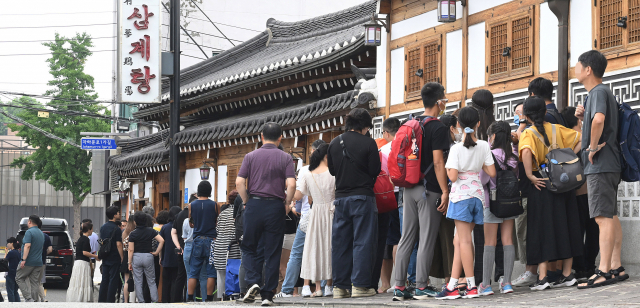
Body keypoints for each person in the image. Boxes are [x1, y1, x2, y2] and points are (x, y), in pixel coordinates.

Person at [519, 96, 583, 290]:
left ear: (527, 116)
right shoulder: (557, 129)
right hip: (564, 184)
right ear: (545, 112)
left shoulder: (528, 133)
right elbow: (581, 138)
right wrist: (570, 156)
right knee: (568, 225)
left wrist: (530, 175)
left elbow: (527, 153)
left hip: (542, 184)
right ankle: (567, 274)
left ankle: (544, 277)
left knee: (542, 229)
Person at [575, 50, 627, 288]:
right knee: (610, 214)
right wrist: (586, 116)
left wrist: (592, 148)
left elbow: (599, 120)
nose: (575, 68)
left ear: (588, 70)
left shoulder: (596, 91)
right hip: (612, 163)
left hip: (600, 164)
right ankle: (615, 266)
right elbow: (596, 119)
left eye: (578, 65)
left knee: (602, 218)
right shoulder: (604, 92)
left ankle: (603, 270)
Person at [393, 83, 449, 301]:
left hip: (408, 187)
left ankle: (399, 287)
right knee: (426, 238)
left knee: (407, 237)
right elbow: (438, 162)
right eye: (443, 99)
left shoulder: (412, 124)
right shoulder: (438, 127)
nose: (445, 103)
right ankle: (421, 286)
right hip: (430, 190)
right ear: (438, 102)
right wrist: (444, 190)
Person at [435, 106, 495, 300]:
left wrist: (459, 168)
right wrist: (476, 166)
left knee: (464, 241)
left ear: (458, 125)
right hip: (477, 196)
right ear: (478, 124)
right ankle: (453, 284)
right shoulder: (484, 145)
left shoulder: (456, 149)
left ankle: (470, 285)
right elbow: (492, 172)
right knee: (459, 240)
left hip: (461, 197)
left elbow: (452, 176)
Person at [237, 122, 296, 306]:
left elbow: (239, 182)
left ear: (261, 137)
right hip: (275, 207)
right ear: (280, 138)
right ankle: (267, 295)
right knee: (272, 251)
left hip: (254, 205)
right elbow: (292, 185)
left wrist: (247, 201)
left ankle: (253, 281)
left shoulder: (250, 156)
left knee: (248, 246)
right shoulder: (285, 158)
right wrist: (286, 204)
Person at [326, 108, 380, 299]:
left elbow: (332, 171)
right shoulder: (369, 143)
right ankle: (360, 285)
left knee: (341, 243)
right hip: (363, 197)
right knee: (363, 241)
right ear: (364, 126)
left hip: (340, 199)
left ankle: (340, 287)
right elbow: (375, 169)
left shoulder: (333, 143)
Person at [276, 139, 326, 299]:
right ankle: (325, 287)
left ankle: (288, 288)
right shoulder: (333, 170)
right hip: (328, 216)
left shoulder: (305, 170)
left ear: (312, 152)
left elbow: (297, 195)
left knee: (297, 253)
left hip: (308, 218)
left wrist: (288, 197)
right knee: (326, 251)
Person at [468, 90, 505, 288]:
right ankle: (501, 274)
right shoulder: (496, 128)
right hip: (499, 191)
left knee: (481, 238)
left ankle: (482, 278)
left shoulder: (471, 133)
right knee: (499, 236)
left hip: (477, 191)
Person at [478, 121, 519, 296]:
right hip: (510, 202)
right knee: (508, 239)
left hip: (492, 202)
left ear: (492, 136)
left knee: (490, 242)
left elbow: (483, 180)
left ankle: (486, 285)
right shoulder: (513, 156)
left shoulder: (489, 155)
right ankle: (507, 282)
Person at [563, 106, 600, 281]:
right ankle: (590, 265)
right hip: (591, 190)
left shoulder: (565, 138)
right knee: (593, 230)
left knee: (576, 231)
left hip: (572, 192)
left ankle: (579, 267)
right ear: (578, 120)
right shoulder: (586, 137)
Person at [298, 143, 335, 297]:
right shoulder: (335, 173)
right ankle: (329, 286)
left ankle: (317, 287)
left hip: (315, 213)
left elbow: (305, 193)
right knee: (330, 248)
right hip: (332, 212)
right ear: (327, 156)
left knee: (315, 248)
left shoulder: (307, 172)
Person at [429, 114, 457, 289]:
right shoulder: (453, 148)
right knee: (450, 238)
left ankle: (445, 277)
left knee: (439, 238)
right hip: (451, 195)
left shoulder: (436, 147)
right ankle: (452, 278)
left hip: (435, 194)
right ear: (451, 128)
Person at [375, 118, 402, 294]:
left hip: (388, 196)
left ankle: (386, 283)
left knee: (389, 240)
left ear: (386, 133)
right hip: (406, 193)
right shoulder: (406, 147)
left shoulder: (382, 151)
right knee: (404, 238)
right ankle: (403, 279)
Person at [187, 181, 218, 302]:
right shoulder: (215, 205)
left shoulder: (191, 205)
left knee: (194, 271)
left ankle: (190, 298)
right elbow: (217, 222)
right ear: (209, 190)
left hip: (198, 240)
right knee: (211, 271)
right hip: (211, 240)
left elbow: (191, 224)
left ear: (199, 190)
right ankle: (209, 298)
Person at [128, 211, 164, 303]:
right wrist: (156, 252)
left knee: (138, 281)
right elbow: (162, 241)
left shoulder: (133, 234)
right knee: (151, 280)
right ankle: (154, 300)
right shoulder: (151, 231)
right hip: (148, 256)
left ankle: (141, 301)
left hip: (136, 257)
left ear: (135, 222)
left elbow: (131, 250)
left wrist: (129, 262)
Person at [213, 190, 242, 300]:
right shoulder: (239, 213)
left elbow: (218, 230)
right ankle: (232, 296)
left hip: (220, 246)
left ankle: (221, 297)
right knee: (233, 273)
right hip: (232, 247)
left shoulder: (223, 214)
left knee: (221, 275)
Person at [15, 215, 44, 302]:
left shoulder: (29, 232)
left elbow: (27, 245)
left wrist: (23, 260)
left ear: (30, 221)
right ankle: (34, 301)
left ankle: (28, 298)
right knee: (34, 282)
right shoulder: (41, 233)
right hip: (38, 262)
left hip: (29, 261)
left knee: (19, 277)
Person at [98, 206, 123, 302]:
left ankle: (101, 300)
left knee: (105, 279)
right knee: (113, 280)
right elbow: (119, 244)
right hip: (114, 257)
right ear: (114, 215)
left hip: (105, 256)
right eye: (118, 212)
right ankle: (110, 301)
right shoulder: (116, 229)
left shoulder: (103, 227)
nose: (119, 214)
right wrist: (122, 257)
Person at [67, 222, 97, 302]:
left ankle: (76, 298)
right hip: (83, 263)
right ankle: (83, 299)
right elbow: (84, 252)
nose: (92, 231)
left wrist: (91, 254)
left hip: (78, 263)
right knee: (83, 281)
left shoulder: (81, 239)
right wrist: (95, 256)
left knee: (78, 281)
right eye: (92, 229)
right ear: (89, 230)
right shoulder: (86, 239)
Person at [160, 206, 183, 302]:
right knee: (176, 280)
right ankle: (175, 300)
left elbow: (161, 243)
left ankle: (165, 300)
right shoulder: (180, 226)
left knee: (166, 282)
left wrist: (161, 257)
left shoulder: (164, 228)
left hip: (167, 258)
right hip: (178, 257)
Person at [121, 215, 136, 303]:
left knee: (126, 280)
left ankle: (126, 301)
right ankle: (133, 300)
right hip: (133, 256)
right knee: (136, 279)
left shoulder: (124, 232)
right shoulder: (135, 232)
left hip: (126, 255)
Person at [37, 220, 52, 302]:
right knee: (39, 282)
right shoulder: (46, 236)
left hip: (32, 262)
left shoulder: (31, 234)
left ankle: (34, 299)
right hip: (42, 261)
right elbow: (50, 249)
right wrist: (43, 253)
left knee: (31, 281)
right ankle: (43, 298)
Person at [5, 237, 21, 302]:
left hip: (10, 274)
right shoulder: (18, 252)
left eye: (8, 243)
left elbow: (4, 262)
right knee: (15, 291)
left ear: (11, 243)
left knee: (10, 292)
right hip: (17, 274)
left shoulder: (11, 253)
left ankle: (12, 305)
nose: (7, 245)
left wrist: (6, 253)